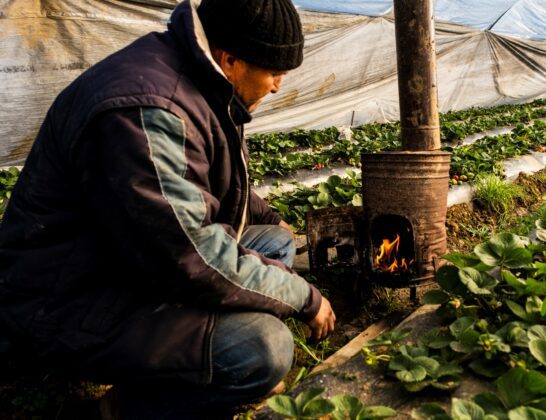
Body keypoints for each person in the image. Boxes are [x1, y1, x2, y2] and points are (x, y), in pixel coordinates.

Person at [0, 0, 335, 418]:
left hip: (125, 263)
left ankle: (196, 361)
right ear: (230, 59)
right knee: (263, 346)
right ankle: (115, 409)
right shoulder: (147, 110)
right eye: (274, 73)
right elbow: (192, 256)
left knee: (273, 241)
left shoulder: (197, 80)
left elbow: (205, 179)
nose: (277, 86)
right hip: (66, 301)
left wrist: (269, 217)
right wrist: (304, 297)